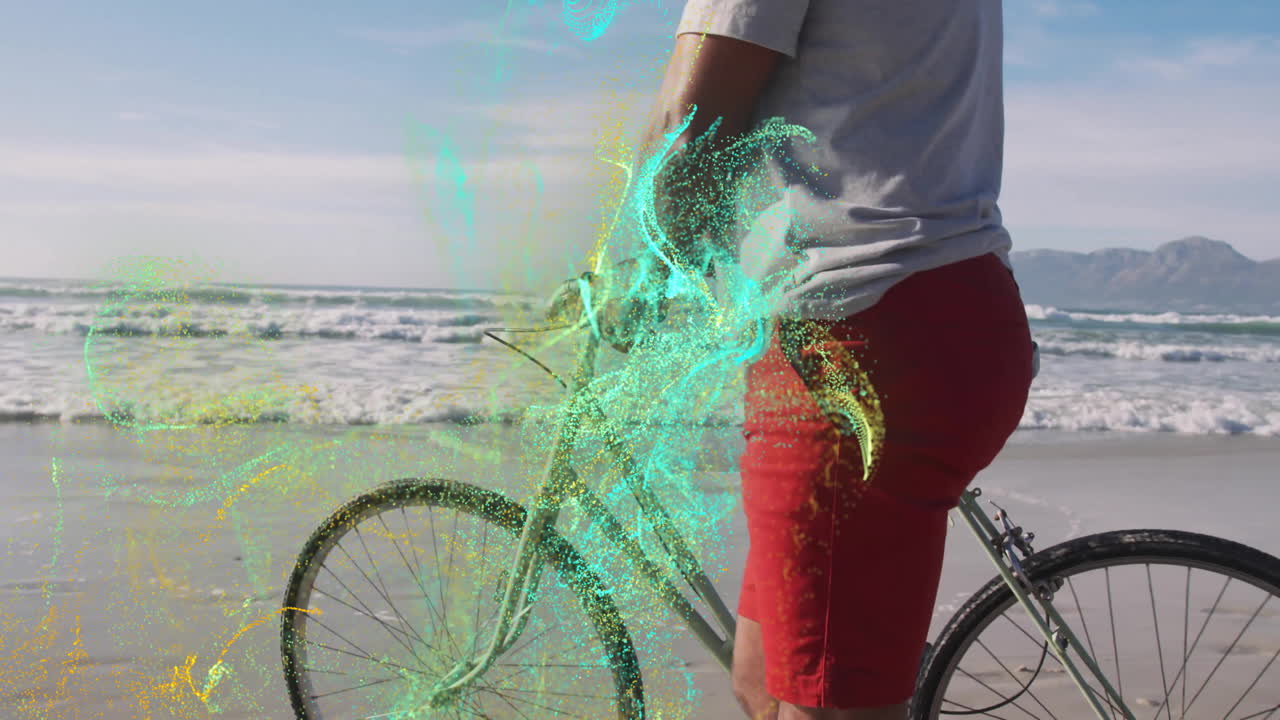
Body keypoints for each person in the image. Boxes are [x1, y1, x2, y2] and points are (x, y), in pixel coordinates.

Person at [633, 1, 1035, 718]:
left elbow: (688, 126)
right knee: (766, 676)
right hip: (953, 307)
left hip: (856, 334)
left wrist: (638, 273)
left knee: (823, 704)